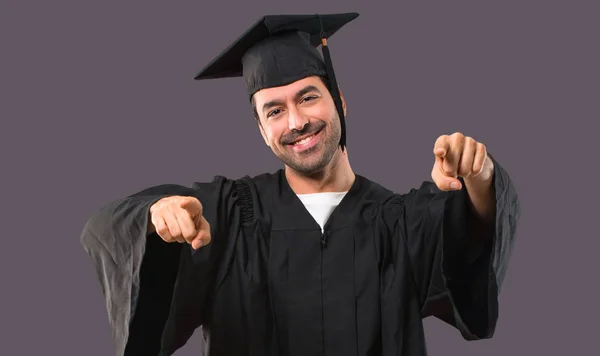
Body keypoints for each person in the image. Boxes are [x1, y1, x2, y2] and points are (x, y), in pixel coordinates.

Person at [80, 12, 521, 356]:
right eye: (274, 110)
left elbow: (470, 236)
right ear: (260, 128)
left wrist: (477, 176)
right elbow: (104, 228)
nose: (296, 122)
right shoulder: (230, 215)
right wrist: (157, 216)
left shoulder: (399, 223)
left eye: (308, 97)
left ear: (340, 102)